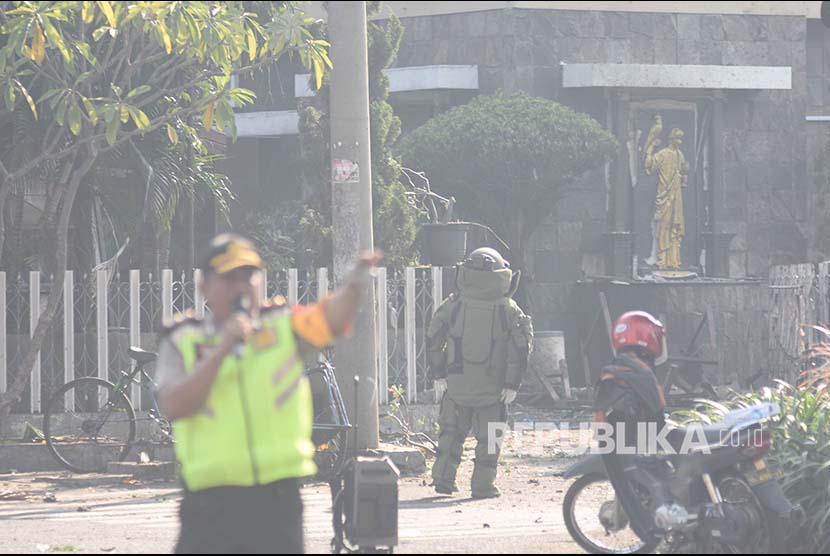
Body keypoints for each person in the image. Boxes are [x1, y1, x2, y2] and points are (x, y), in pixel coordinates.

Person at [155, 233, 379, 554]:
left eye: (248, 276)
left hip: (277, 501)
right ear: (205, 288)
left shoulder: (283, 328)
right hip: (210, 502)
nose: (240, 286)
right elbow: (174, 404)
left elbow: (331, 318)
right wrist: (223, 348)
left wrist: (355, 284)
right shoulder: (184, 340)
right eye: (229, 278)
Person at [426, 248, 533, 499]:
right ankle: (483, 487)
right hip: (494, 389)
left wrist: (439, 372)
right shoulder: (510, 308)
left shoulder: (453, 304)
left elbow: (433, 336)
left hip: (457, 384)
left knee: (451, 434)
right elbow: (519, 349)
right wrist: (512, 384)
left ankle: (443, 479)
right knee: (489, 440)